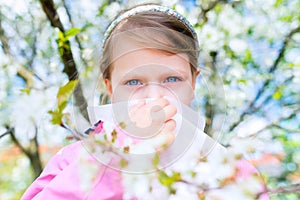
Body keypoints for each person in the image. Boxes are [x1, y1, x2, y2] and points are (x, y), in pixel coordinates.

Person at [22, 4, 269, 200]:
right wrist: (121, 150)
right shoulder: (75, 159)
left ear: (193, 84)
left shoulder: (230, 170)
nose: (154, 97)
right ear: (109, 88)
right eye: (133, 82)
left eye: (172, 79)